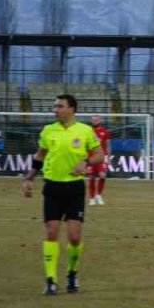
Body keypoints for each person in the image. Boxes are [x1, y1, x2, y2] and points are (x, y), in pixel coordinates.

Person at [21, 95, 104, 295]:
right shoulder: (48, 131)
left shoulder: (85, 131)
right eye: (55, 106)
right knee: (51, 232)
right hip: (52, 188)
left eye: (60, 106)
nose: (55, 110)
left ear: (72, 109)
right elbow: (40, 155)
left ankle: (72, 273)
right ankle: (51, 280)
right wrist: (29, 178)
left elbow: (99, 155)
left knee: (74, 237)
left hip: (74, 188)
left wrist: (85, 162)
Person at [87, 115, 112, 206]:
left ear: (99, 120)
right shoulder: (88, 131)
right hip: (91, 157)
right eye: (93, 120)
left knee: (102, 176)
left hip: (101, 157)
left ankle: (99, 195)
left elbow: (108, 145)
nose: (95, 121)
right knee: (92, 177)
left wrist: (108, 158)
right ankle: (92, 198)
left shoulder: (105, 132)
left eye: (96, 120)